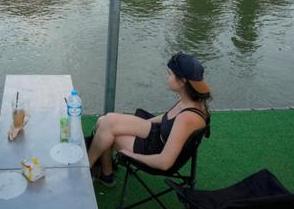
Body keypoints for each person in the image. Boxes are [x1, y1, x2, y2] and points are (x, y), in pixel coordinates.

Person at [86, 52, 211, 187]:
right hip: (159, 134)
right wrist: (139, 123)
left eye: (169, 74)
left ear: (182, 81)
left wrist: (130, 155)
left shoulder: (187, 118)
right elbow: (167, 118)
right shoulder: (191, 99)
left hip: (155, 151)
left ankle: (87, 171)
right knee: (105, 120)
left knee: (106, 131)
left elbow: (164, 162)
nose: (166, 76)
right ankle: (104, 174)